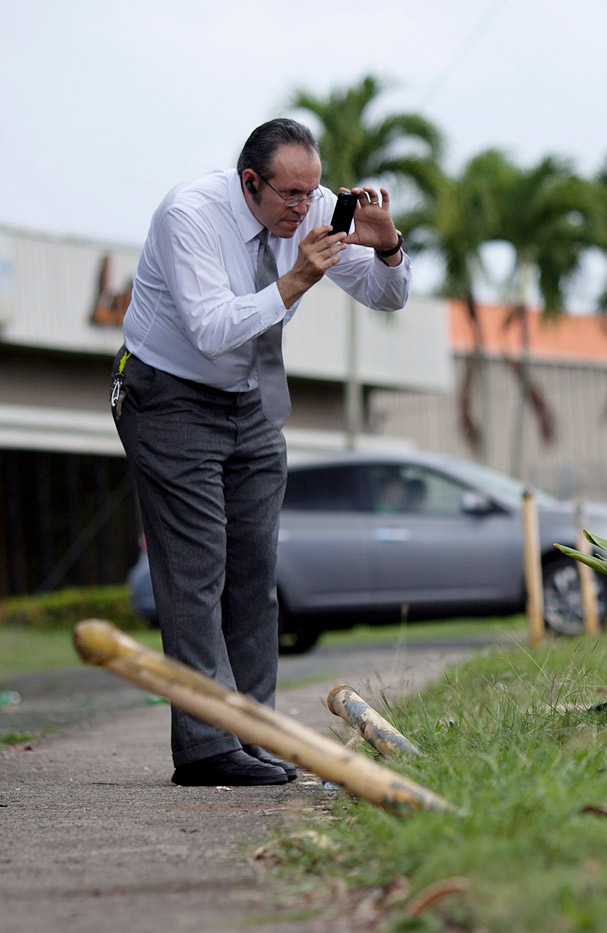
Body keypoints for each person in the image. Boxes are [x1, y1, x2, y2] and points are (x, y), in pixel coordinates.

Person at [110, 118, 412, 786]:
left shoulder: (310, 212)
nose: (305, 210)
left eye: (313, 194)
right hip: (168, 396)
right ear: (251, 182)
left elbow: (387, 297)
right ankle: (206, 747)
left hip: (249, 402)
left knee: (255, 575)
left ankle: (255, 733)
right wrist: (299, 277)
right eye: (290, 197)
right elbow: (213, 329)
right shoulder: (191, 215)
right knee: (197, 570)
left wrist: (389, 248)